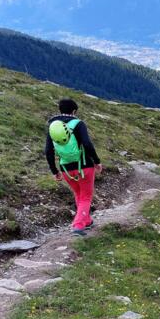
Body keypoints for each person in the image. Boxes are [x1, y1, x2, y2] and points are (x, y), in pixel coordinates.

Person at [45, 99, 102, 236]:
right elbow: (87, 144)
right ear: (74, 111)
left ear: (60, 110)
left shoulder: (53, 126)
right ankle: (78, 226)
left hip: (66, 168)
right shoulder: (78, 124)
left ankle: (86, 220)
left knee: (78, 194)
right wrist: (96, 161)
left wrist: (54, 170)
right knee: (86, 196)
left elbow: (48, 151)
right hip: (84, 166)